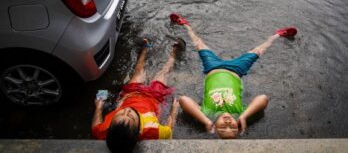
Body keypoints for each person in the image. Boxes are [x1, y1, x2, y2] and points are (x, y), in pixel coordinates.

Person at [169, 13, 297, 139]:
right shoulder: (239, 113)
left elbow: (183, 100)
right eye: (233, 127)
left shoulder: (208, 115)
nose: (228, 124)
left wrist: (206, 121)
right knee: (258, 51)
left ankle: (185, 25)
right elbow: (263, 99)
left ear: (214, 127)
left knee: (199, 44)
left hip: (213, 68)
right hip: (236, 70)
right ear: (239, 125)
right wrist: (244, 116)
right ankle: (277, 35)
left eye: (223, 128)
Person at [91, 38, 185, 152]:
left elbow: (95, 128)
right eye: (130, 116)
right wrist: (174, 110)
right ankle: (175, 52)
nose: (127, 111)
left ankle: (144, 49)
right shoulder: (152, 131)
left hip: (131, 94)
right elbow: (169, 129)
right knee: (164, 72)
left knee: (138, 71)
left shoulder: (104, 131)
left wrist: (99, 107)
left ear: (110, 127)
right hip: (154, 97)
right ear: (139, 131)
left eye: (120, 114)